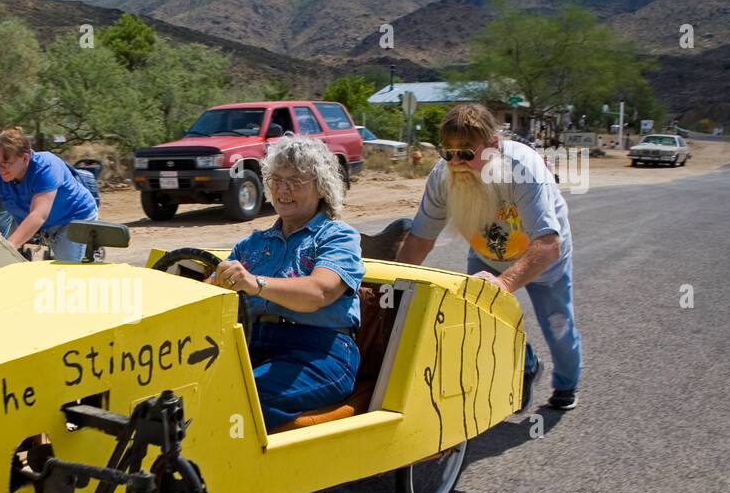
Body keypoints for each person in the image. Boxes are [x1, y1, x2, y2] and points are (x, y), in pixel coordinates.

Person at [395, 102, 581, 410]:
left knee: (558, 326)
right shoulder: (442, 177)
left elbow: (549, 244)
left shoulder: (523, 169)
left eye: (467, 153)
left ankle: (566, 383)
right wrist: (393, 286)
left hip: (542, 258)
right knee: (477, 327)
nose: (456, 161)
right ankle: (526, 365)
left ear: (493, 146)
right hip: (487, 255)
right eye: (448, 152)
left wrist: (503, 284)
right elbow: (420, 239)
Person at [210, 136, 366, 429]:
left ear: (321, 187)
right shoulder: (251, 244)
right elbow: (214, 295)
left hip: (321, 353)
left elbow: (320, 292)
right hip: (251, 344)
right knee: (179, 389)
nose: (283, 189)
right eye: (276, 179)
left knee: (237, 397)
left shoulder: (337, 236)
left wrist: (256, 283)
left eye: (295, 180)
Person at [0, 126, 98, 261]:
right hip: (44, 225)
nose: (0, 168)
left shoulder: (46, 166)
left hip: (73, 218)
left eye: (6, 162)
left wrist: (4, 249)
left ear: (25, 158)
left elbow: (38, 215)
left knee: (69, 268)